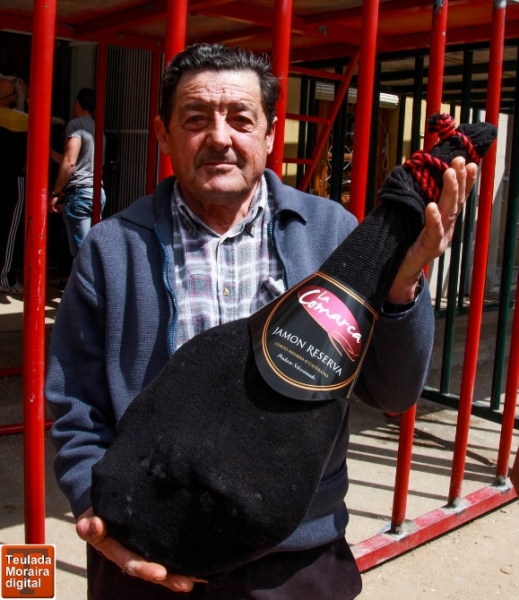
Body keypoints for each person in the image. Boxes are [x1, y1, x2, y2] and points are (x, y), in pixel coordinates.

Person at [45, 43, 477, 600]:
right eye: (195, 119)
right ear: (162, 135)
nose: (220, 138)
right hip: (147, 553)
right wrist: (98, 512)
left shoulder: (330, 233)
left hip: (297, 562)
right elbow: (75, 407)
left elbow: (392, 392)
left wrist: (402, 285)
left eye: (241, 119)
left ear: (271, 135)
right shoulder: (112, 249)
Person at [48, 87, 106, 266]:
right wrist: (51, 153)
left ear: (77, 104)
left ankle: (89, 284)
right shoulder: (98, 130)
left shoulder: (76, 125)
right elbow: (78, 162)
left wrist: (55, 192)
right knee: (91, 246)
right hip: (96, 192)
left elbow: (70, 162)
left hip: (80, 193)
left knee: (82, 253)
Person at [0, 76, 29, 294]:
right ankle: (6, 277)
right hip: (13, 178)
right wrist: (28, 97)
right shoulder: (11, 118)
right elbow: (40, 120)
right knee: (10, 229)